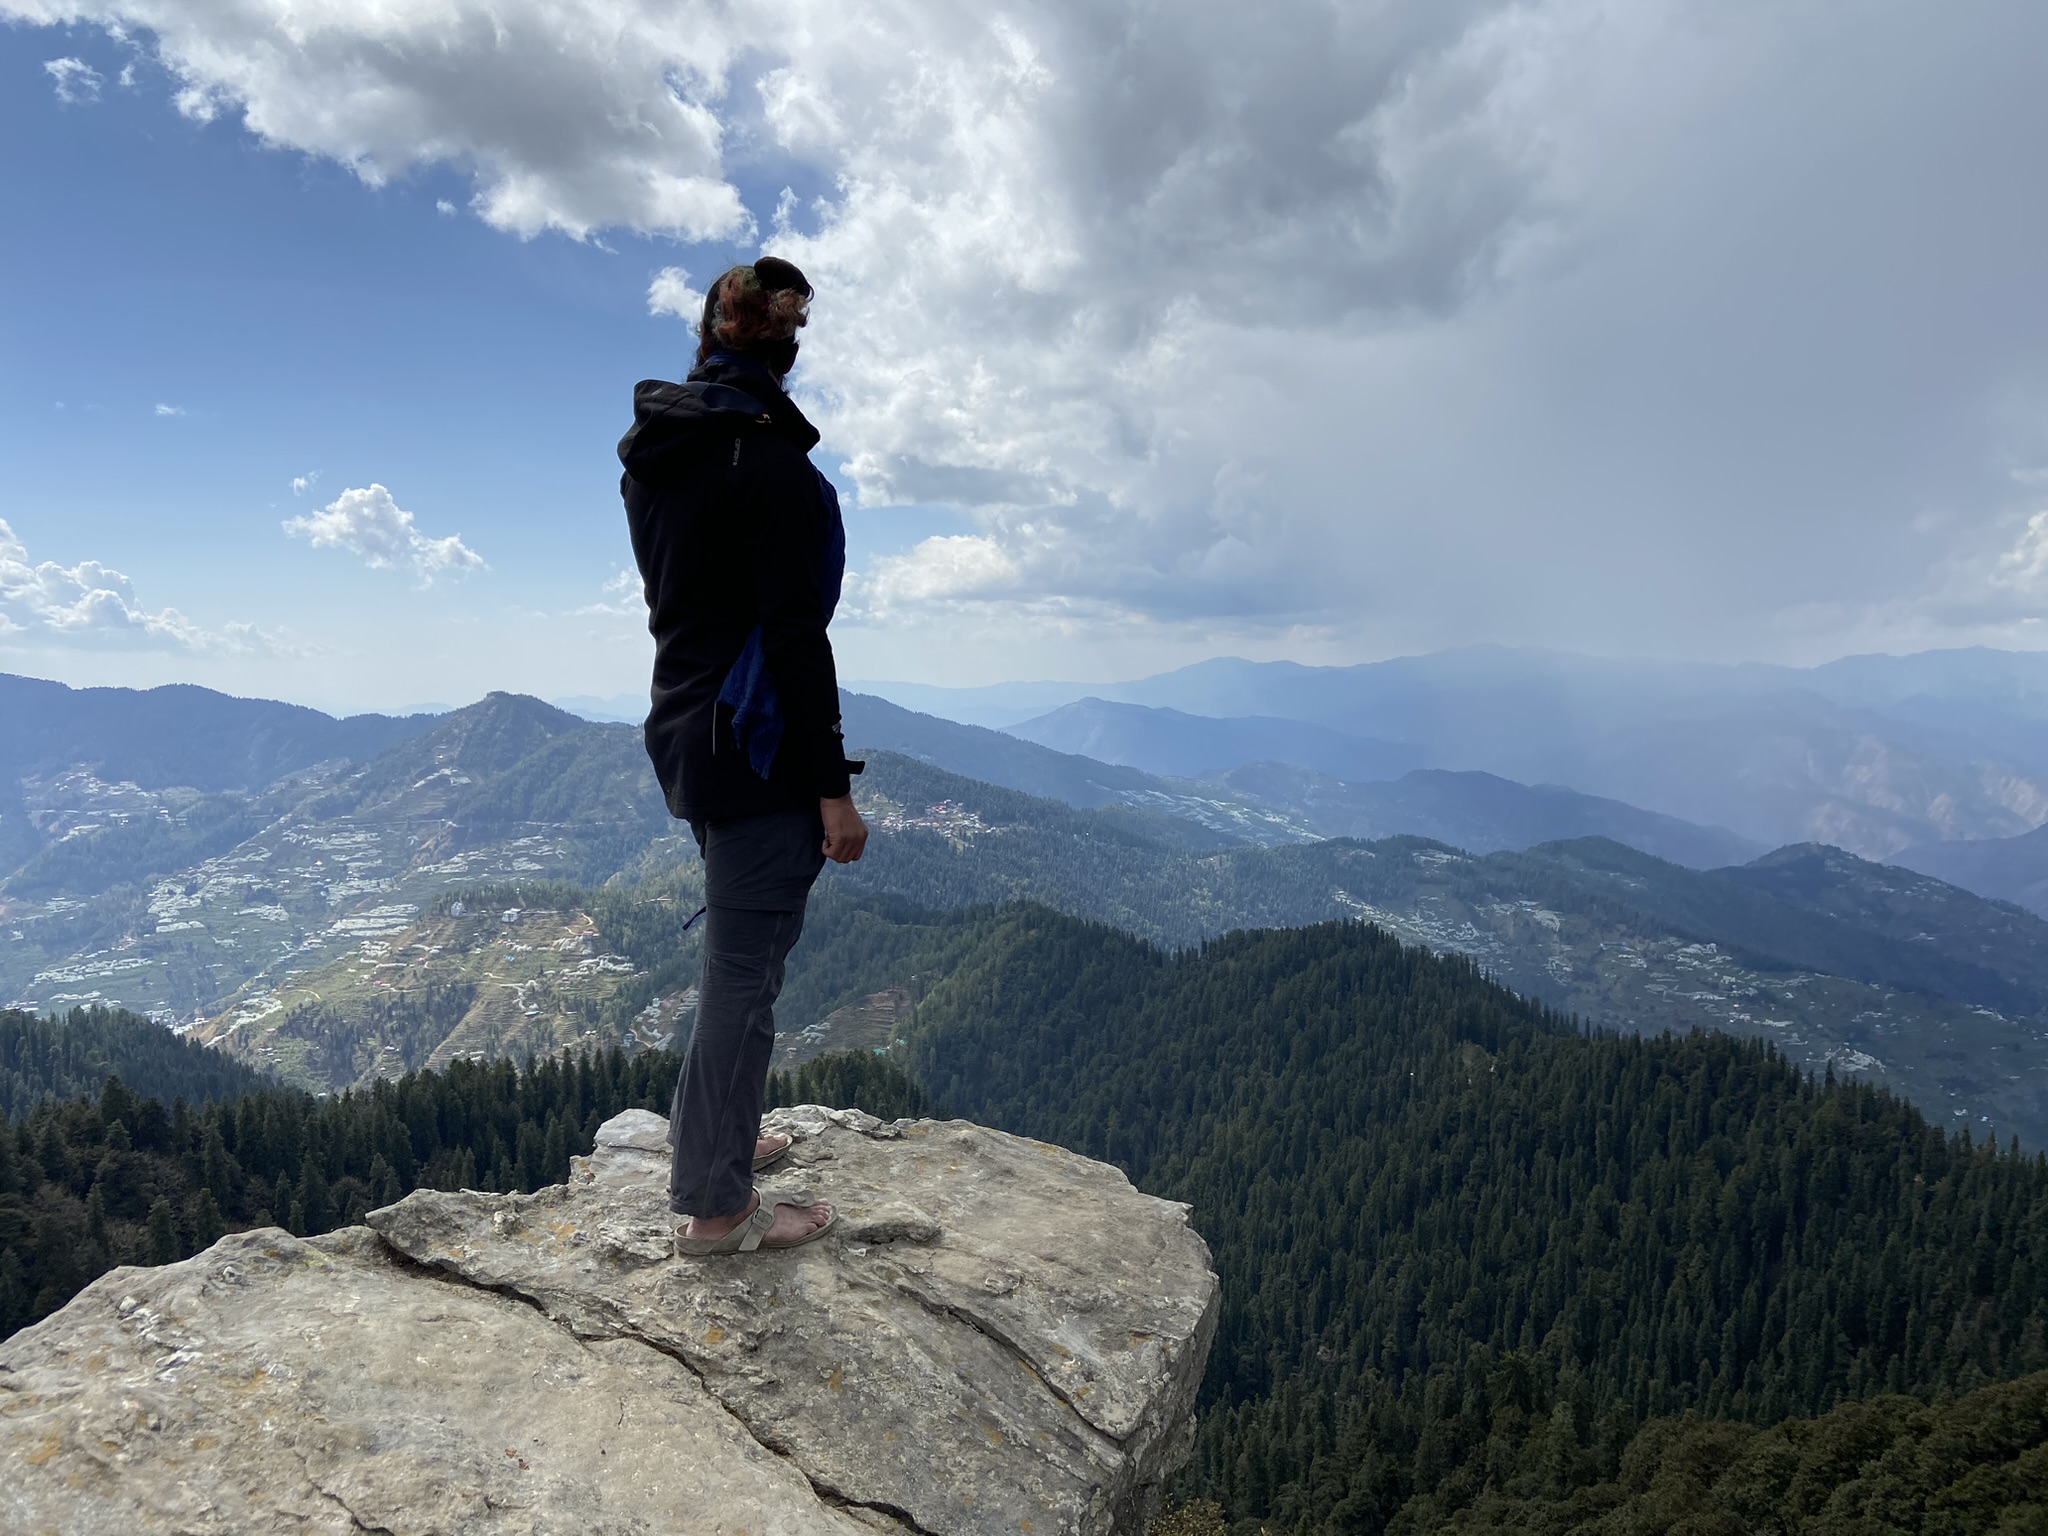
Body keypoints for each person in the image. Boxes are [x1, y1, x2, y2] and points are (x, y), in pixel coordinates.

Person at [618, 256, 868, 1256]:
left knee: (736, 965)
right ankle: (718, 1209)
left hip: (685, 731)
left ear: (708, 338)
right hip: (757, 748)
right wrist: (830, 787)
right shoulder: (773, 473)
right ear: (786, 349)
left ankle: (711, 1137)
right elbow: (794, 640)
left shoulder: (660, 459)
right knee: (745, 979)